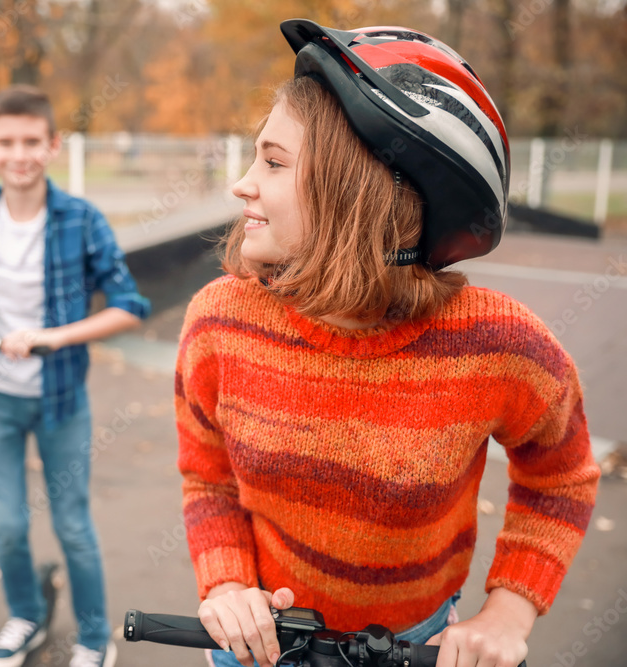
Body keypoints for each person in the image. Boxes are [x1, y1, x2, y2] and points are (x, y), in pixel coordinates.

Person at [175, 20, 600, 667]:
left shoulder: (499, 344)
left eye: (273, 161)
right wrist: (228, 579)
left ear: (359, 193)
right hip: (258, 646)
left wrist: (509, 613)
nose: (242, 184)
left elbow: (561, 475)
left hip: (418, 648)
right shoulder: (219, 320)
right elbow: (206, 475)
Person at [0, 84, 149, 667]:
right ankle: (27, 616)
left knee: (72, 524)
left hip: (59, 396)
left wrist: (50, 337)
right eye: (7, 142)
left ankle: (95, 637)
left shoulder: (80, 219)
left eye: (32, 142)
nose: (21, 154)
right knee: (8, 528)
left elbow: (129, 305)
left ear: (53, 145)